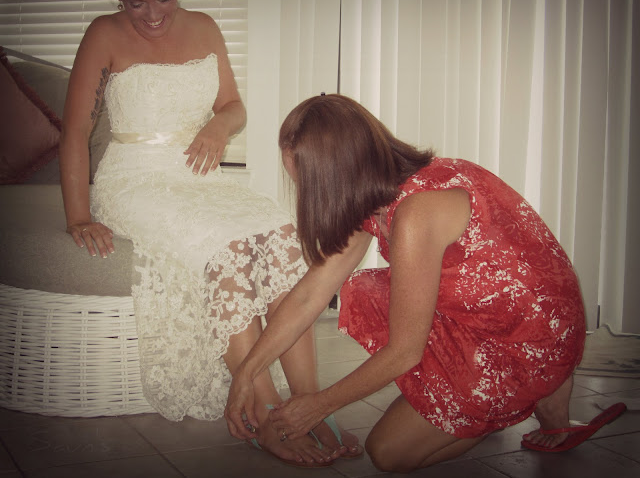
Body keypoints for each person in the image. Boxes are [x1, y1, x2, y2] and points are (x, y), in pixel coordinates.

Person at [59, 0, 361, 467]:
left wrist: (219, 128)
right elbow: (76, 131)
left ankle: (308, 404)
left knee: (284, 235)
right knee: (228, 248)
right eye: (135, 3)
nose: (152, 15)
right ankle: (266, 416)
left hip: (199, 177)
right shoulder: (102, 34)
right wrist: (78, 215)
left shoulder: (205, 27)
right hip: (135, 179)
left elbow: (233, 106)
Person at [225, 94, 627, 472]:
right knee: (366, 293)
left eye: (309, 184)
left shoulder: (418, 212)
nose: (306, 194)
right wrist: (247, 372)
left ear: (338, 175)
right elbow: (310, 294)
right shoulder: (377, 195)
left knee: (389, 453)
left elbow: (405, 351)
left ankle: (525, 393)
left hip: (529, 338)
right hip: (489, 317)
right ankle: (511, 398)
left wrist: (320, 404)